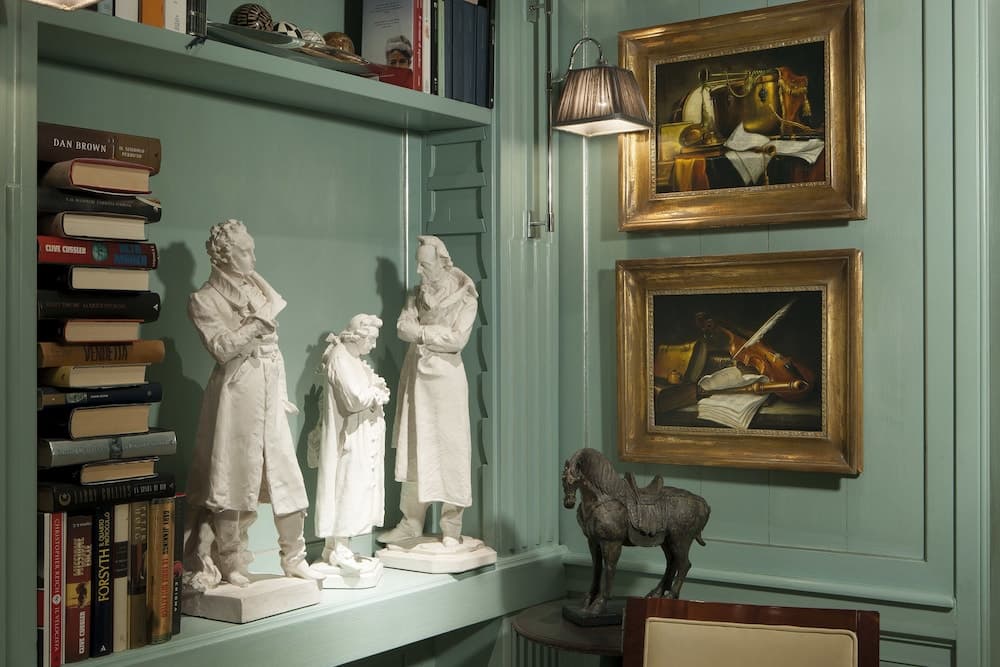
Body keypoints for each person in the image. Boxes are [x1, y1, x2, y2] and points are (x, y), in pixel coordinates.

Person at [183, 219, 322, 588]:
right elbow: (220, 348)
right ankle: (230, 558)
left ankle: (294, 556)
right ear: (225, 256)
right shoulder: (204, 299)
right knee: (232, 478)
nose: (253, 258)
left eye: (251, 249)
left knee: (286, 475)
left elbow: (274, 350)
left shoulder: (259, 286)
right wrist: (254, 326)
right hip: (236, 393)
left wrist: (282, 394)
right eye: (246, 252)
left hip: (268, 391)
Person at [378, 236, 478, 547]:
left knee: (451, 449)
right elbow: (401, 327)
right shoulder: (415, 295)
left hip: (446, 380)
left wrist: (421, 333)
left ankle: (451, 528)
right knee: (414, 447)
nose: (419, 271)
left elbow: (457, 339)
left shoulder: (465, 297)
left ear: (443, 263)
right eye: (418, 264)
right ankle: (411, 523)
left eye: (425, 265)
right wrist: (422, 332)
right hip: (417, 377)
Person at [307, 314, 390, 575]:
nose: (373, 346)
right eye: (371, 340)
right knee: (348, 488)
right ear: (357, 336)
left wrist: (375, 389)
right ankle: (339, 548)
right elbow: (355, 398)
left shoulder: (352, 359)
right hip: (350, 437)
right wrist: (376, 392)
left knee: (355, 487)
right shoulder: (340, 358)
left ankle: (335, 548)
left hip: (360, 433)